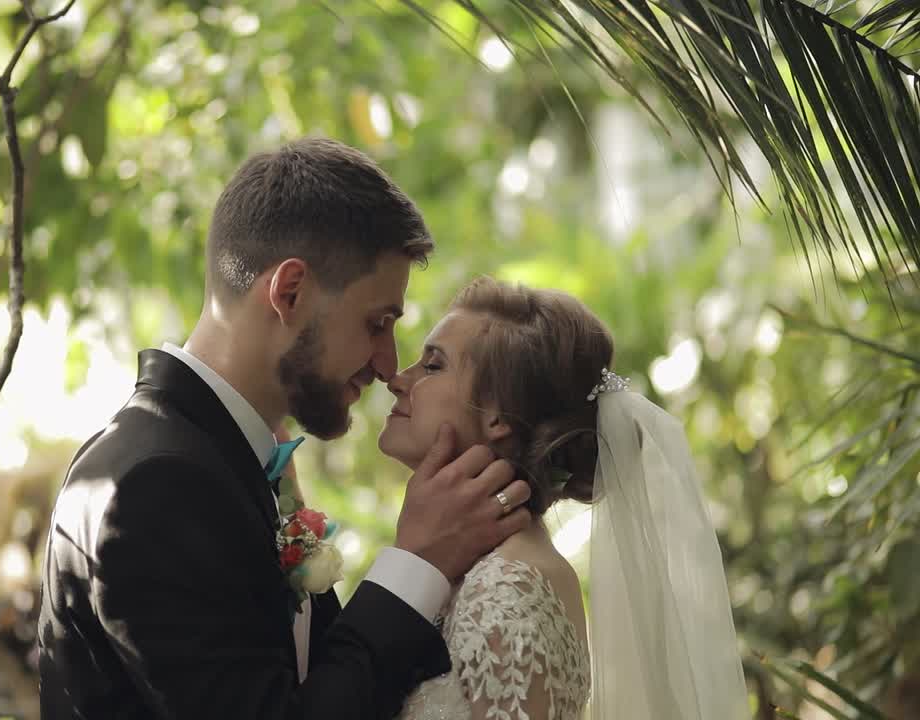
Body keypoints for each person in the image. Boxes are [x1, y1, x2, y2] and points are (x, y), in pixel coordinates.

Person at [37, 138, 534, 719]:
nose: (385, 365)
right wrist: (414, 564)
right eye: (377, 323)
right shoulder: (153, 484)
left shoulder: (235, 461)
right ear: (289, 291)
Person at [384, 277, 750, 720]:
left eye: (432, 365)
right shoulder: (478, 570)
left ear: (498, 416)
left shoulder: (506, 589)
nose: (398, 380)